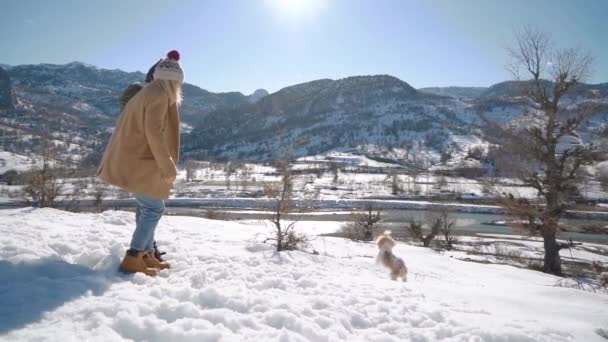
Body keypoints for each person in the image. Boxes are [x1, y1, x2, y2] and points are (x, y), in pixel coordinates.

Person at [97, 50, 183, 276]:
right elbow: (154, 132)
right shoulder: (159, 95)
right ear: (176, 81)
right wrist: (168, 166)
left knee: (147, 207)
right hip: (142, 161)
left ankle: (146, 255)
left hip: (136, 159)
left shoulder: (149, 92)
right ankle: (134, 256)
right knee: (154, 208)